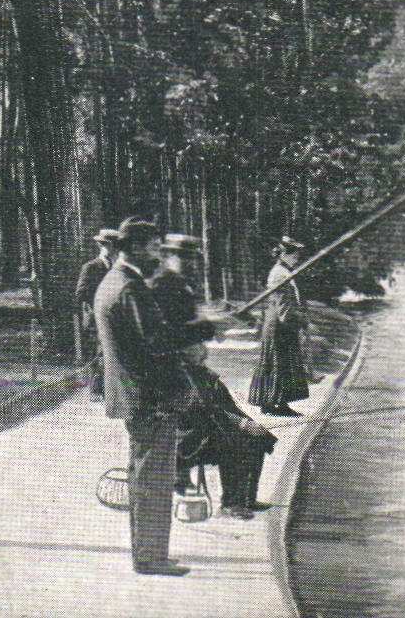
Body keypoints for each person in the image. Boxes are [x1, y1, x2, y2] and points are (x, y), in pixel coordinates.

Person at [94, 217, 217, 576]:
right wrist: (208, 328)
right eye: (153, 248)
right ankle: (150, 557)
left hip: (138, 397)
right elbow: (158, 340)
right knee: (152, 479)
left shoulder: (117, 281)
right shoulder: (129, 287)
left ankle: (149, 553)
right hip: (149, 399)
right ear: (132, 248)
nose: (158, 255)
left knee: (147, 475)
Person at [174, 343, 278, 520]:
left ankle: (246, 499)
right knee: (236, 445)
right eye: (197, 347)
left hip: (208, 430)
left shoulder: (202, 372)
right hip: (190, 439)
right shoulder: (182, 376)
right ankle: (231, 505)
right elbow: (206, 408)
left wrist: (251, 425)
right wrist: (243, 424)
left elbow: (228, 406)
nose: (203, 350)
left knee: (259, 439)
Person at [248, 236, 310, 417]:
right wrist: (301, 322)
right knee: (278, 362)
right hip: (279, 326)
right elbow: (284, 309)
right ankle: (272, 404)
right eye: (294, 255)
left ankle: (276, 403)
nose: (297, 258)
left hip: (278, 324)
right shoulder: (279, 275)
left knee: (280, 363)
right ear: (285, 255)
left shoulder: (283, 272)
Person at [75, 228, 124, 398]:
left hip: (115, 318)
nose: (114, 250)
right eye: (109, 246)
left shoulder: (118, 269)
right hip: (95, 318)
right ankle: (95, 390)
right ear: (102, 246)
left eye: (115, 246)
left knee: (111, 353)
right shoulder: (91, 267)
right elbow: (81, 293)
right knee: (97, 354)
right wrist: (98, 305)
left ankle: (109, 390)